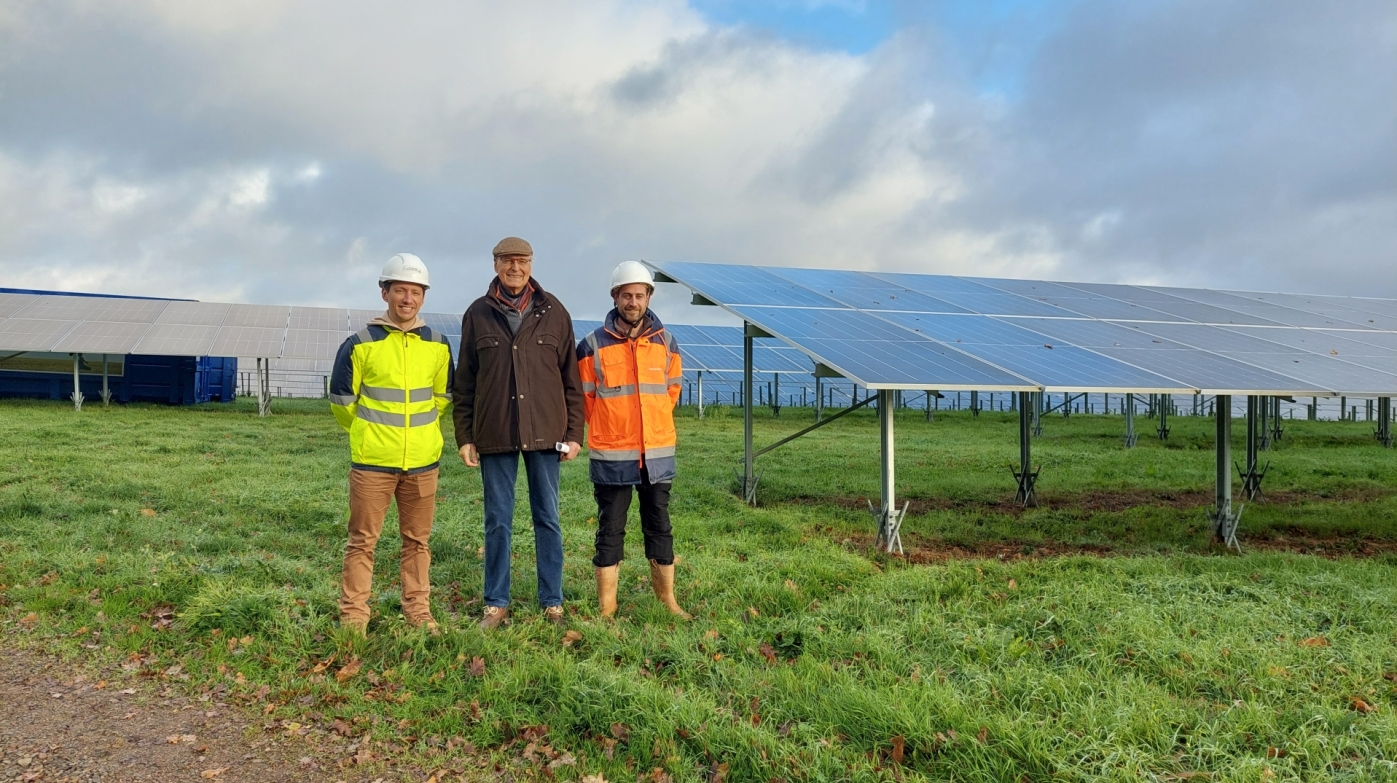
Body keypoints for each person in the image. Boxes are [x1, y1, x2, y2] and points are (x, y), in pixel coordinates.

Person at [454, 237, 584, 629]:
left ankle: (552, 603)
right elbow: (465, 382)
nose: (515, 267)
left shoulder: (554, 311)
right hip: (495, 432)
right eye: (507, 261)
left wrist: (574, 433)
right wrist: (465, 436)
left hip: (546, 433)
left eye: (522, 261)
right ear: (494, 265)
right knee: (498, 520)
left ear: (531, 264)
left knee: (548, 518)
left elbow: (571, 380)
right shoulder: (477, 314)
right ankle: (495, 603)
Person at [329, 253, 454, 636]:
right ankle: (354, 616)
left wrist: (420, 436)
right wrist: (371, 435)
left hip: (422, 461)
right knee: (362, 542)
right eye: (400, 289)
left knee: (418, 542)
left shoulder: (438, 344)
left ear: (423, 296)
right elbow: (341, 402)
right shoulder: (360, 344)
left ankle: (419, 612)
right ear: (385, 292)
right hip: (372, 462)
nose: (408, 299)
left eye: (415, 292)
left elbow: (443, 397)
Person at [577, 261, 690, 620]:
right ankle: (607, 607)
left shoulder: (666, 342)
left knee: (659, 524)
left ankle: (668, 600)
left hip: (656, 452)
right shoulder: (591, 345)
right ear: (615, 297)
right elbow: (586, 401)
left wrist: (650, 427)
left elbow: (671, 392)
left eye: (639, 295)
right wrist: (615, 428)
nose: (633, 302)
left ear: (648, 297)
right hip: (613, 454)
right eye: (626, 295)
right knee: (611, 527)